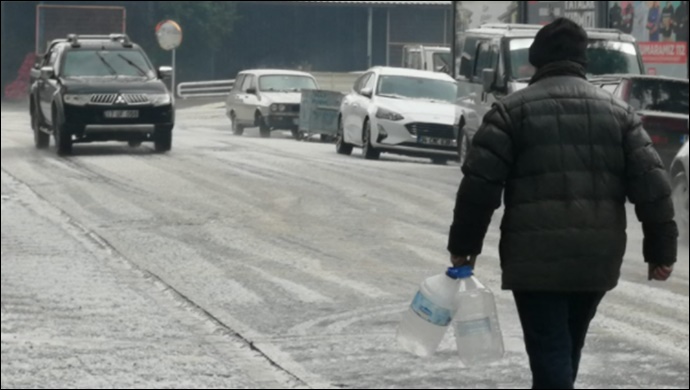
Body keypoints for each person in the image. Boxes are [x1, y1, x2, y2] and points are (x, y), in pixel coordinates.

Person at [447, 18, 677, 390]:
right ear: (583, 62)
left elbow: (479, 187)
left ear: (536, 61)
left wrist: (463, 248)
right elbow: (654, 186)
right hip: (597, 256)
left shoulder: (511, 112)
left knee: (551, 352)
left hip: (534, 258)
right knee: (567, 347)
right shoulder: (620, 115)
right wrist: (661, 250)